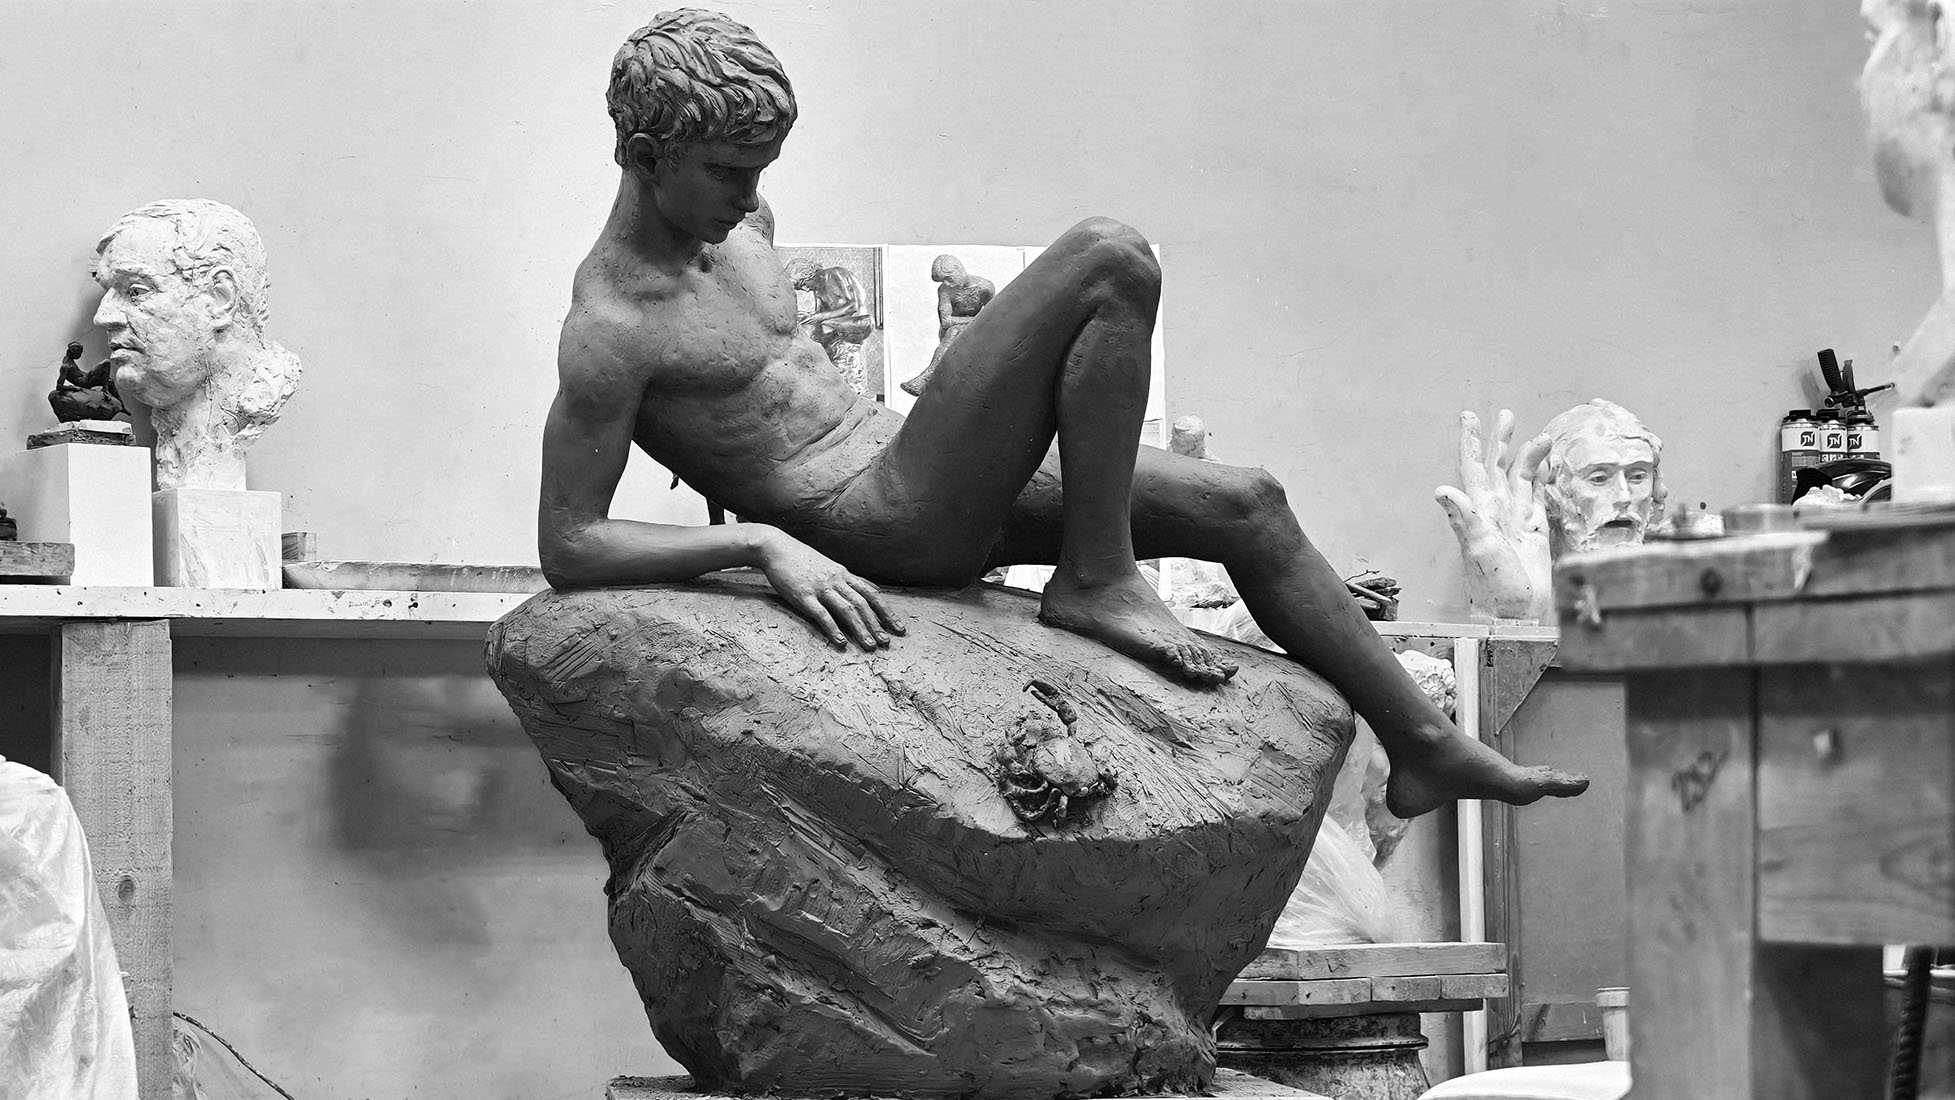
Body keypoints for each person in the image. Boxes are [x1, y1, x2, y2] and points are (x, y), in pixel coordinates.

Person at [538, 8, 1586, 818]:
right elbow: (569, 542)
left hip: (915, 463)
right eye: (728, 172)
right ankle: (1095, 579)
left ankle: (1423, 747)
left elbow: (780, 372)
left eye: (760, 168)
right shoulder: (612, 324)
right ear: (645, 154)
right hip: (880, 521)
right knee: (1110, 256)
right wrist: (762, 544)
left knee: (1247, 503)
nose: (749, 194)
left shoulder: (739, 222)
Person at [93, 199, 303, 490]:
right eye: (108, 292)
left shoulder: (264, 388)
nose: (103, 317)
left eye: (136, 291)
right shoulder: (177, 398)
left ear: (220, 298)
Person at [899, 253, 996, 397]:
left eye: (948, 278)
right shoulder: (944, 290)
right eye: (943, 281)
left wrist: (976, 322)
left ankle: (925, 378)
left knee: (955, 330)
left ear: (959, 269)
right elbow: (945, 321)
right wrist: (976, 319)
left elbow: (992, 315)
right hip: (949, 333)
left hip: (976, 331)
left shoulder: (985, 287)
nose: (947, 284)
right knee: (953, 331)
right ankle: (928, 377)